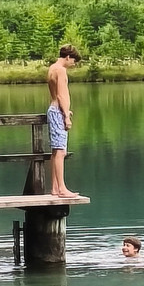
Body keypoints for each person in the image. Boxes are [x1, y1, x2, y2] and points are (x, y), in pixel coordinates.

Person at [47, 44, 81, 197]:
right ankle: (62, 188)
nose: (73, 65)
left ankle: (55, 188)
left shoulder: (52, 68)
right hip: (58, 111)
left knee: (56, 151)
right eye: (73, 61)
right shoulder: (61, 70)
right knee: (61, 151)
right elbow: (61, 94)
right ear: (68, 57)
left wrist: (66, 110)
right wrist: (66, 116)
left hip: (55, 109)